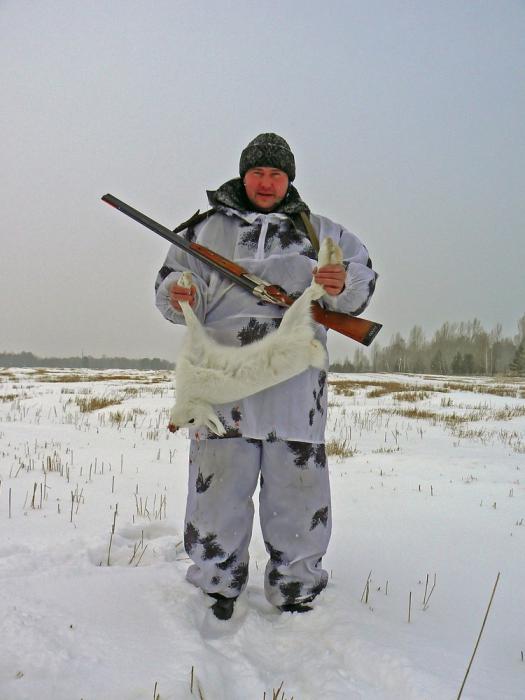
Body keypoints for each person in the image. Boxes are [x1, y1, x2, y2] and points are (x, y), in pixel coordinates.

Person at [155, 133, 377, 620]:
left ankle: (295, 587)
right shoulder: (203, 230)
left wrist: (342, 284)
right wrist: (180, 291)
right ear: (242, 174)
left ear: (289, 179)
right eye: (258, 172)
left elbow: (360, 284)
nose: (266, 181)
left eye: (277, 173)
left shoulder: (319, 232)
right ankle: (216, 584)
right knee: (216, 493)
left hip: (294, 390)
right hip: (221, 388)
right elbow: (168, 285)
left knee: (298, 496)